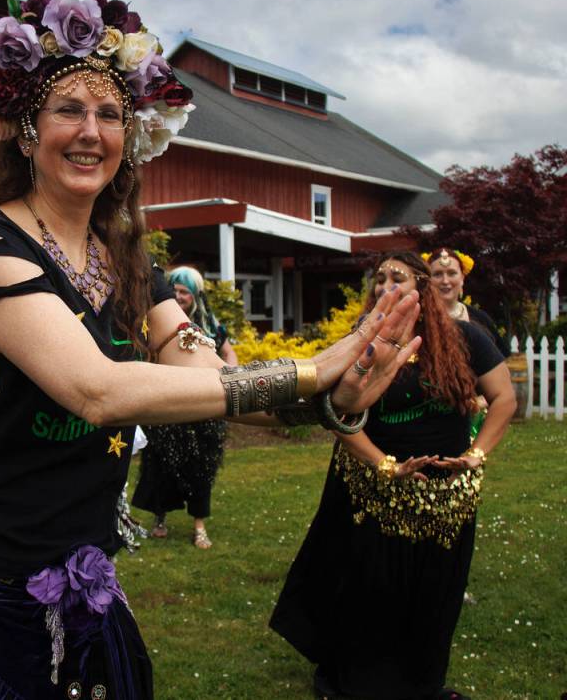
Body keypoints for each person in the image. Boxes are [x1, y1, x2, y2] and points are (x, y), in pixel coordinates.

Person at [0, 0, 421, 700]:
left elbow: (206, 379)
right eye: (68, 111)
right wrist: (306, 371)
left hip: (73, 560)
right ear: (24, 130)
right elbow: (96, 390)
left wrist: (334, 397)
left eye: (109, 114)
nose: (90, 132)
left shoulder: (130, 265)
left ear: (130, 136)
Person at [270, 251, 515, 700]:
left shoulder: (466, 339)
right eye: (378, 279)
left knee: (436, 589)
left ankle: (422, 682)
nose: (384, 286)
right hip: (376, 488)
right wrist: (387, 466)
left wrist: (476, 455)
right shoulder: (360, 343)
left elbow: (504, 398)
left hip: (446, 496)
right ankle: (356, 682)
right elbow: (340, 418)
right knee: (371, 589)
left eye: (396, 278)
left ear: (421, 287)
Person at [132, 266, 237, 549]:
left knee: (201, 469)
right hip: (167, 405)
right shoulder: (155, 323)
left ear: (196, 295)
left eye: (184, 292)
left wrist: (230, 380)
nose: (178, 297)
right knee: (160, 465)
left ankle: (199, 526)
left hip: (204, 410)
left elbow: (228, 353)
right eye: (174, 290)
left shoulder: (210, 325)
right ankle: (160, 518)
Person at [424, 247, 510, 356]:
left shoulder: (480, 319)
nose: (445, 281)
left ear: (462, 278)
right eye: (437, 274)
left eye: (451, 273)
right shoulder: (419, 317)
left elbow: (501, 361)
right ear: (428, 280)